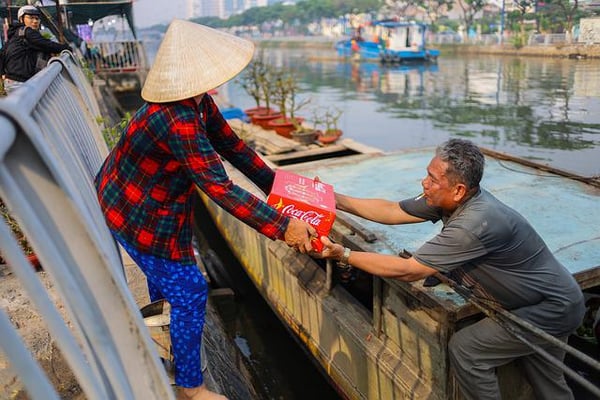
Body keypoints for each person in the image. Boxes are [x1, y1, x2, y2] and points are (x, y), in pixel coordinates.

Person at [94, 20, 315, 400]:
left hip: (148, 200)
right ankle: (191, 388)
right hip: (137, 212)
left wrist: (276, 189)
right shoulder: (177, 119)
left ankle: (167, 332)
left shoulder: (197, 102)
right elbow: (220, 188)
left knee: (172, 283)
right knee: (191, 289)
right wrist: (282, 225)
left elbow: (233, 147)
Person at [318, 138, 585, 400]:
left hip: (552, 307)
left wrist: (344, 253)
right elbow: (391, 210)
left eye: (433, 179)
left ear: (458, 190)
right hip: (544, 300)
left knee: (468, 350)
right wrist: (335, 199)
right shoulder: (449, 199)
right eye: (427, 175)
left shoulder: (476, 222)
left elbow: (409, 270)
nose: (424, 183)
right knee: (545, 374)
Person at [0, 5, 70, 92]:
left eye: (37, 18)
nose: (35, 21)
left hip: (11, 81)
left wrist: (2, 73)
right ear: (21, 19)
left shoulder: (14, 34)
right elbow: (46, 45)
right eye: (31, 18)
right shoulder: (27, 32)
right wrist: (66, 48)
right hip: (20, 82)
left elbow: (2, 54)